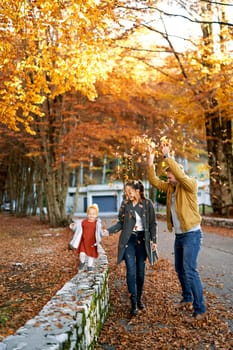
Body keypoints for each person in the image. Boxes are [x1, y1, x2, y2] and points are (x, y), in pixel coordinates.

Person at [147, 139, 206, 321]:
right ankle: (187, 298)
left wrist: (167, 156)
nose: (168, 179)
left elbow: (180, 176)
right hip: (180, 236)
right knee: (180, 269)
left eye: (170, 176)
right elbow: (154, 181)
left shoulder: (190, 185)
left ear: (177, 174)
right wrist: (150, 162)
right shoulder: (171, 188)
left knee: (189, 269)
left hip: (192, 234)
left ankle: (200, 309)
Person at [103, 180, 158, 316]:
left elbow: (152, 224)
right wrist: (108, 231)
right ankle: (133, 303)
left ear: (138, 191)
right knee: (131, 271)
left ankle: (139, 298)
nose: (127, 194)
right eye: (126, 192)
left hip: (142, 240)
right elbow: (121, 223)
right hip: (128, 240)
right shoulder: (125, 204)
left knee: (140, 272)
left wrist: (154, 240)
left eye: (130, 192)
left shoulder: (147, 204)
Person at [69, 204, 103, 272]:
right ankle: (82, 262)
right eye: (89, 214)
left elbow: (100, 232)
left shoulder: (97, 224)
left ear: (96, 215)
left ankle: (90, 266)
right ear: (87, 214)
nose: (91, 215)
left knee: (91, 255)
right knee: (82, 253)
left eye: (93, 214)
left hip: (92, 242)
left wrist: (103, 233)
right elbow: (77, 228)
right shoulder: (83, 222)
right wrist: (73, 226)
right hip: (83, 241)